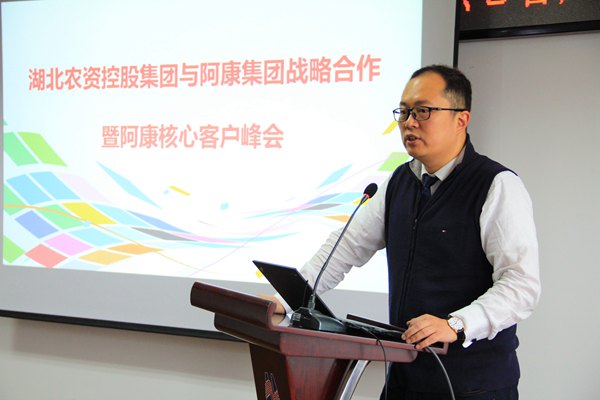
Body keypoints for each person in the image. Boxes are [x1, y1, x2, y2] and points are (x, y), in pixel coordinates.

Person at [267, 65, 540, 399]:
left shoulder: (496, 185)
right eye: (404, 112)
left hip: (473, 386)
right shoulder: (400, 181)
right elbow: (345, 248)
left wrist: (456, 324)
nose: (410, 122)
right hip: (405, 379)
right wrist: (286, 300)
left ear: (461, 119)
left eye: (423, 111)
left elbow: (522, 285)